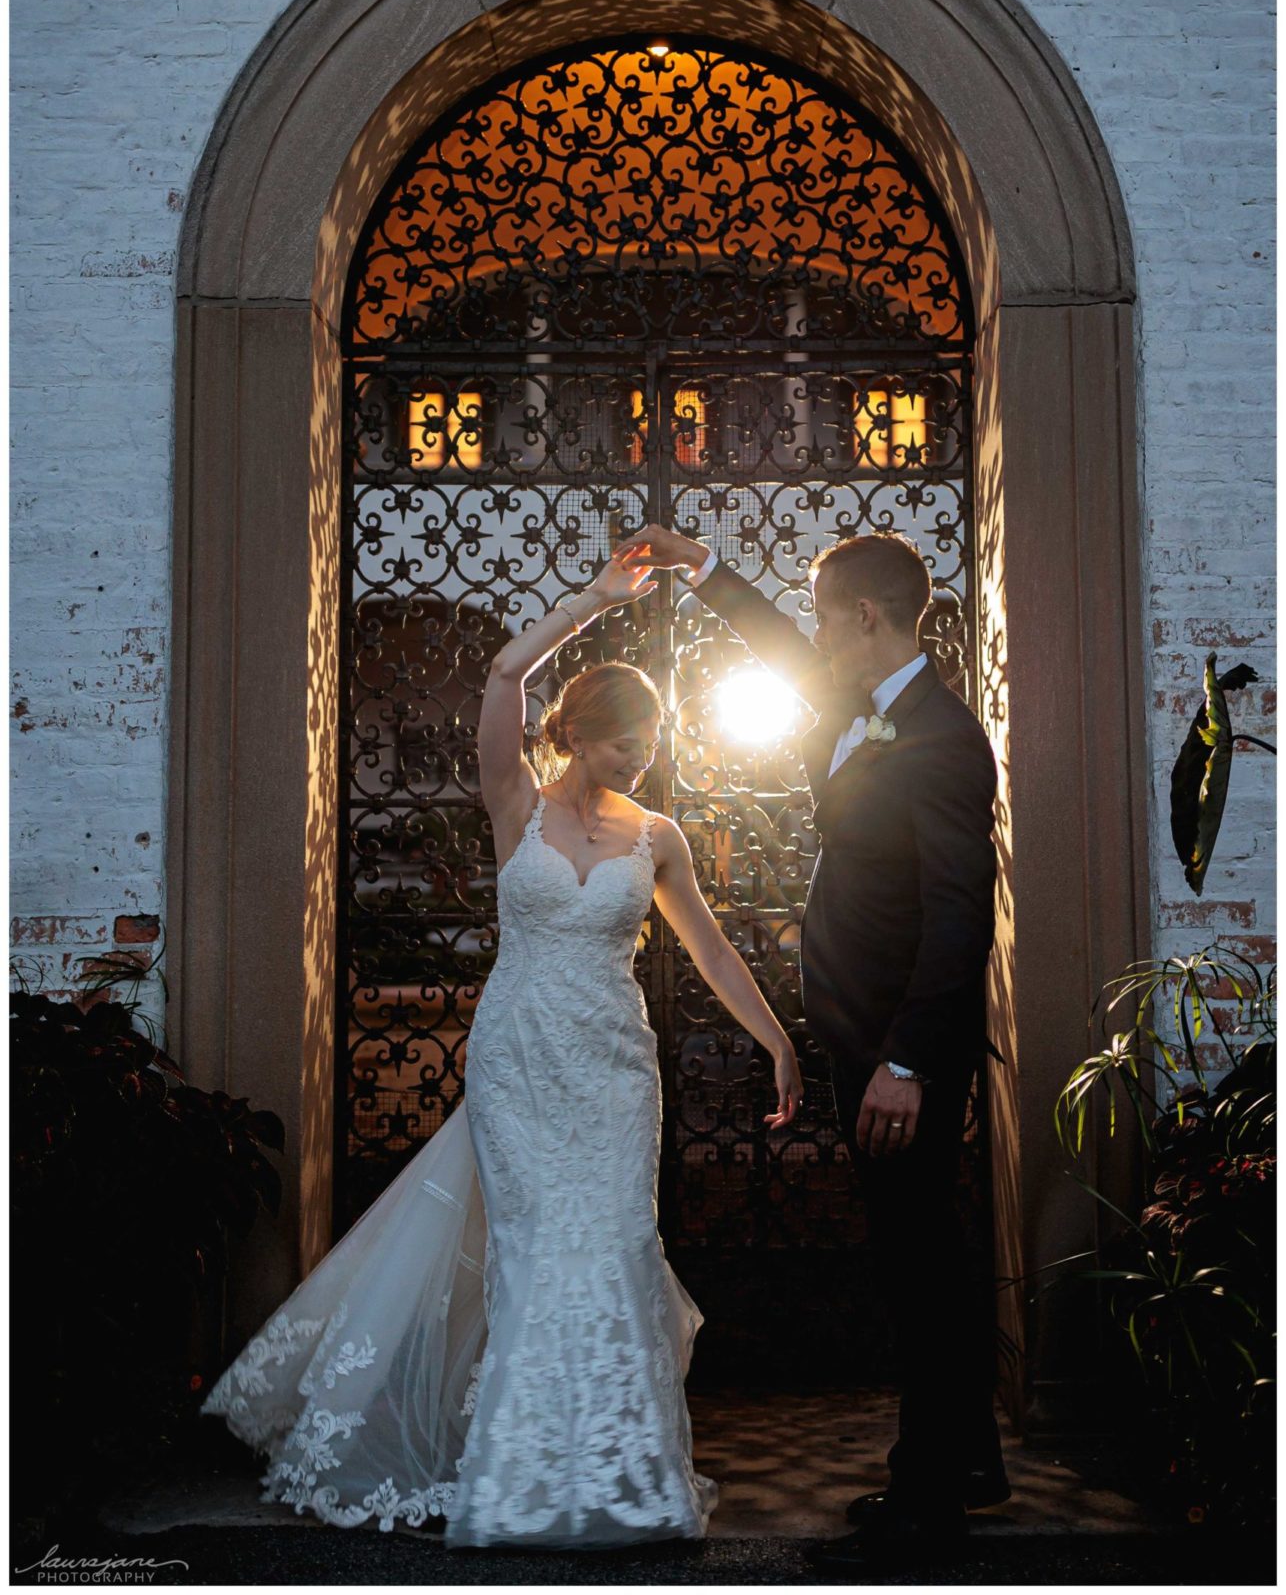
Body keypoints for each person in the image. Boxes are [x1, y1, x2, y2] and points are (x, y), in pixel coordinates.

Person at [199, 547, 803, 1551]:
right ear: (583, 733)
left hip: (612, 1067)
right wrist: (593, 602)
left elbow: (708, 948)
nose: (641, 757)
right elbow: (501, 678)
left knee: (610, 1247)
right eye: (625, 741)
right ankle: (518, 1477)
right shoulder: (513, 804)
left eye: (651, 741)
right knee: (532, 1257)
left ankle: (624, 1477)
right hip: (519, 1057)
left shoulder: (656, 836)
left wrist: (777, 1041)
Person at [619, 523, 1008, 1570]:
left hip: (898, 1055)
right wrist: (706, 576)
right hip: (866, 1040)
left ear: (867, 618)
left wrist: (911, 1062)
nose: (817, 627)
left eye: (827, 609)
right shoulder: (862, 705)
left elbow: (956, 914)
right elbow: (777, 650)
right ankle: (967, 1458)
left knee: (916, 1266)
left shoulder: (940, 738)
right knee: (923, 1253)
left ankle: (925, 1505)